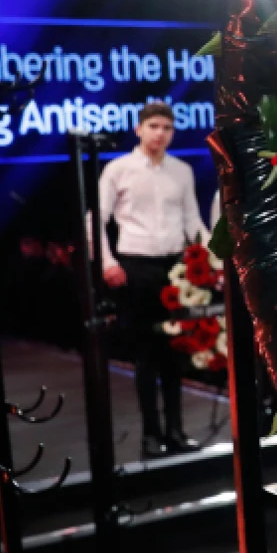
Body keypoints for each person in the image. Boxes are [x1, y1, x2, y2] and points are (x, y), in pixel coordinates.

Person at [96, 102, 209, 458]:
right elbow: (94, 219)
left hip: (175, 268)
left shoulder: (181, 171)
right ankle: (150, 434)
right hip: (136, 267)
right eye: (154, 126)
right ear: (139, 129)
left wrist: (212, 258)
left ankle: (175, 430)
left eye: (167, 127)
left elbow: (193, 220)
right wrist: (107, 262)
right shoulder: (119, 169)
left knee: (176, 353)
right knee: (145, 356)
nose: (160, 133)